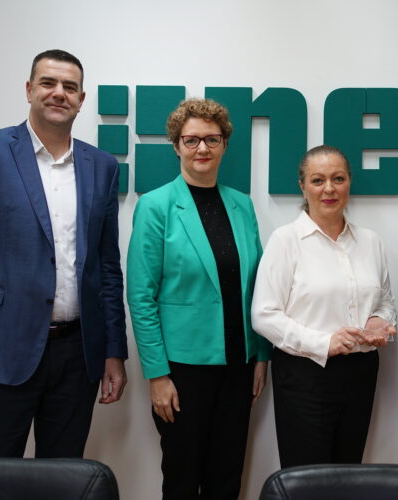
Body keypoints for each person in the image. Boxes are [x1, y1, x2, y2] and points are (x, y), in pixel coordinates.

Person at [0, 49, 128, 458]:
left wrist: (113, 350)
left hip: (77, 356)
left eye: (69, 87)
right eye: (48, 83)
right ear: (29, 89)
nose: (59, 93)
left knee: (63, 479)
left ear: (81, 99)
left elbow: (107, 268)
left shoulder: (102, 166)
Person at [126, 98, 270, 499]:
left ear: (225, 144)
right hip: (182, 371)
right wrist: (157, 375)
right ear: (177, 146)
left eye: (212, 139)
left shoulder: (242, 205)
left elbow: (258, 286)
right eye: (191, 140)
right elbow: (140, 296)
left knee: (227, 479)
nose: (202, 148)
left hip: (238, 366)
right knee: (182, 480)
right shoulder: (155, 206)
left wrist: (261, 354)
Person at [251, 145, 397, 468]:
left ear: (349, 183)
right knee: (307, 477)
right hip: (305, 374)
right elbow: (263, 315)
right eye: (318, 180)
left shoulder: (371, 242)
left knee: (348, 473)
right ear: (303, 187)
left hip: (361, 372)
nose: (329, 188)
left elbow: (386, 301)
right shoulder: (285, 241)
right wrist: (323, 343)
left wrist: (378, 320)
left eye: (338, 179)